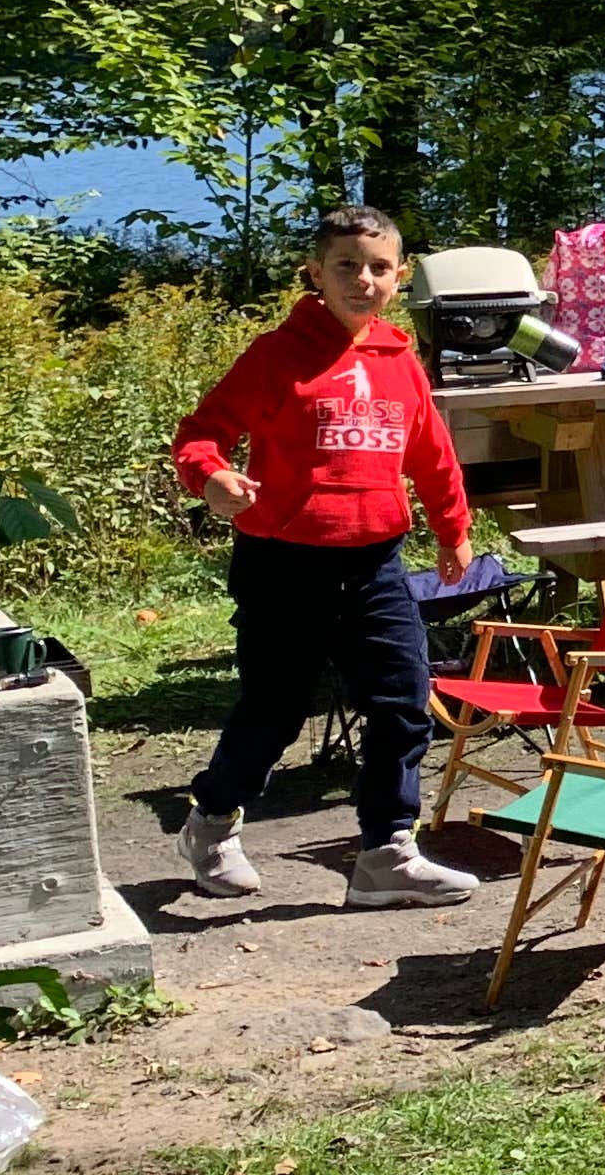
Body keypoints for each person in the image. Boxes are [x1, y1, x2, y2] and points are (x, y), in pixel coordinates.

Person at [166, 204, 481, 909]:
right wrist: (211, 477)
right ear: (315, 274)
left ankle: (386, 854)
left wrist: (452, 527)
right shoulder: (276, 355)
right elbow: (199, 435)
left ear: (399, 278)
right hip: (284, 562)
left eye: (378, 268)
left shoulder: (400, 359)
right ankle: (211, 824)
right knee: (275, 710)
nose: (362, 280)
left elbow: (431, 454)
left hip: (376, 562)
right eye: (346, 266)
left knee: (403, 705)